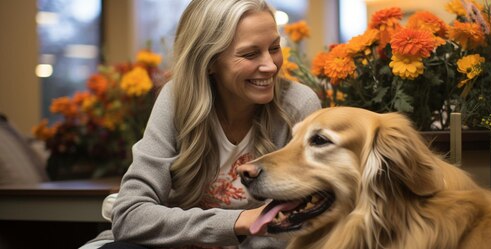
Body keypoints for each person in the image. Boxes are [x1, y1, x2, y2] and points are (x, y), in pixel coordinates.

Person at [80, 0, 321, 248]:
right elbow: (129, 216)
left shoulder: (297, 105)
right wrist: (238, 221)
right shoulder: (177, 99)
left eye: (274, 48)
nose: (270, 65)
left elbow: (305, 222)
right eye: (250, 54)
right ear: (209, 62)